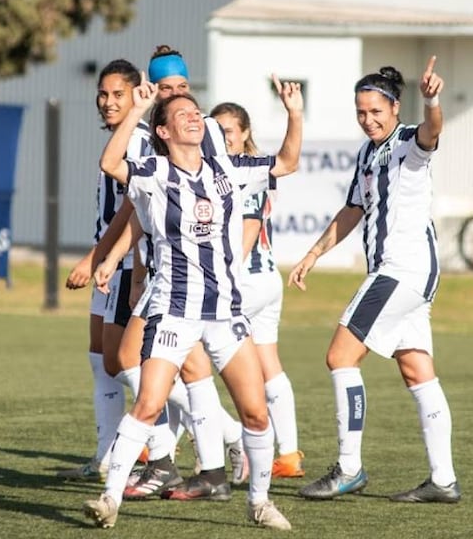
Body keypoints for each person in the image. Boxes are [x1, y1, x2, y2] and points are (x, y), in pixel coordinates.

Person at [82, 76, 304, 530]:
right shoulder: (154, 173)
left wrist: (294, 113)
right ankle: (109, 500)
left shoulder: (227, 170)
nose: (192, 117)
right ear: (163, 132)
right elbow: (110, 161)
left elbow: (286, 162)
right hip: (174, 310)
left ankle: (259, 503)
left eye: (194, 111)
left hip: (223, 312)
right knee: (147, 404)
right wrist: (137, 113)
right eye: (180, 113)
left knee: (255, 412)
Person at [289, 57, 461, 504]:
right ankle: (443, 479)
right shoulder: (368, 152)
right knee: (416, 369)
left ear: (395, 108)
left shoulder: (409, 141)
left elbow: (433, 130)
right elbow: (352, 211)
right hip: (408, 273)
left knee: (340, 356)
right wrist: (313, 253)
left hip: (402, 269)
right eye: (361, 113)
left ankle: (348, 468)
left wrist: (433, 100)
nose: (368, 120)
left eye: (376, 112)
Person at [90, 46, 251, 501]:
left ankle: (178, 455)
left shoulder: (155, 141)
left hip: (174, 281)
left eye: (184, 88)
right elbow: (143, 212)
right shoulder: (149, 140)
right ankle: (208, 460)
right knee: (142, 363)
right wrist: (112, 258)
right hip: (150, 271)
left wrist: (115, 261)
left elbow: (138, 212)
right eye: (168, 90)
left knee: (128, 361)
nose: (179, 96)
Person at [57, 59, 162, 482]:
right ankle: (104, 456)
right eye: (103, 93)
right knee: (100, 359)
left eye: (118, 94)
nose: (107, 101)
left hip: (126, 263)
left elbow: (132, 210)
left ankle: (181, 445)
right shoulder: (122, 138)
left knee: (125, 363)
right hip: (109, 264)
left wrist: (95, 257)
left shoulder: (138, 141)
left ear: (138, 94)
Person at [209, 102, 304, 478]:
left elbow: (247, 228)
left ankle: (227, 441)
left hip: (244, 280)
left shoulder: (246, 170)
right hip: (267, 279)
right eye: (216, 130)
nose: (222, 137)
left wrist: (224, 276)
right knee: (269, 366)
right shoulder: (251, 167)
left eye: (229, 130)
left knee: (188, 359)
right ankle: (290, 454)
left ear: (245, 132)